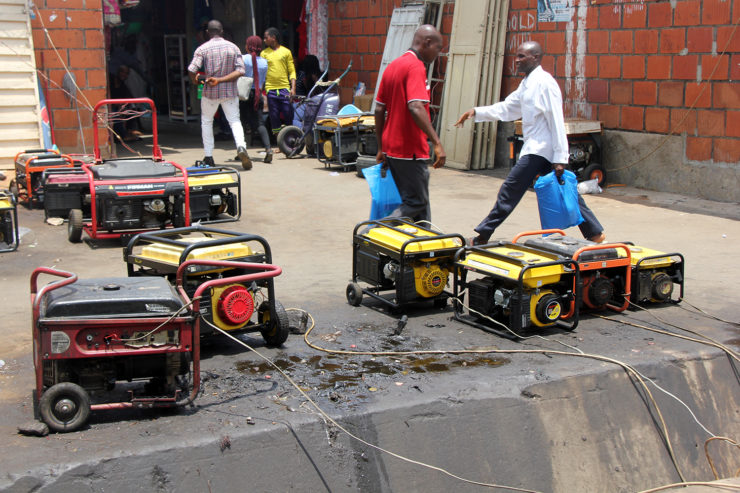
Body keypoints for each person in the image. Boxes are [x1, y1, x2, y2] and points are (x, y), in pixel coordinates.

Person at [454, 41, 606, 245]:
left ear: (535, 58)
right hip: (536, 149)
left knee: (510, 189)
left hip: (541, 150)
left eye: (521, 57)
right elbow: (508, 108)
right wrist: (477, 112)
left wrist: (561, 158)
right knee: (565, 191)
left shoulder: (545, 83)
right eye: (516, 56)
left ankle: (483, 234)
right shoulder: (527, 84)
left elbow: (556, 121)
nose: (516, 60)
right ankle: (595, 234)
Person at [373, 24, 446, 223]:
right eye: (437, 49)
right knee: (416, 202)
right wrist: (437, 142)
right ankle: (374, 230)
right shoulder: (415, 67)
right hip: (410, 149)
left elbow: (379, 109)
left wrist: (381, 147)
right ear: (427, 43)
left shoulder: (393, 66)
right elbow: (415, 106)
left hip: (392, 148)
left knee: (419, 206)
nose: (437, 54)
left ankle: (426, 245)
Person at [188, 19, 251, 169]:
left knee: (207, 121)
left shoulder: (202, 49)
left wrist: (196, 80)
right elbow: (241, 70)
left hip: (210, 92)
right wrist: (221, 79)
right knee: (235, 121)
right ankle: (241, 147)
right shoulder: (233, 47)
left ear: (207, 33)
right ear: (222, 31)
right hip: (229, 92)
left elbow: (191, 69)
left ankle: (209, 156)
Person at [241, 35, 273, 163]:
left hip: (244, 94)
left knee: (240, 122)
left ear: (248, 46)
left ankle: (242, 151)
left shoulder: (243, 59)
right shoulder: (264, 62)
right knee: (260, 123)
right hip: (258, 95)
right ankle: (268, 149)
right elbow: (262, 81)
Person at [261, 27, 296, 135]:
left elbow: (292, 71)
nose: (264, 40)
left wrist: (293, 88)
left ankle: (289, 139)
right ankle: (279, 142)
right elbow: (262, 72)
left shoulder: (286, 52)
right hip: (270, 89)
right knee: (274, 116)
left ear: (273, 38)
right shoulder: (264, 53)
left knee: (288, 113)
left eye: (266, 38)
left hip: (284, 89)